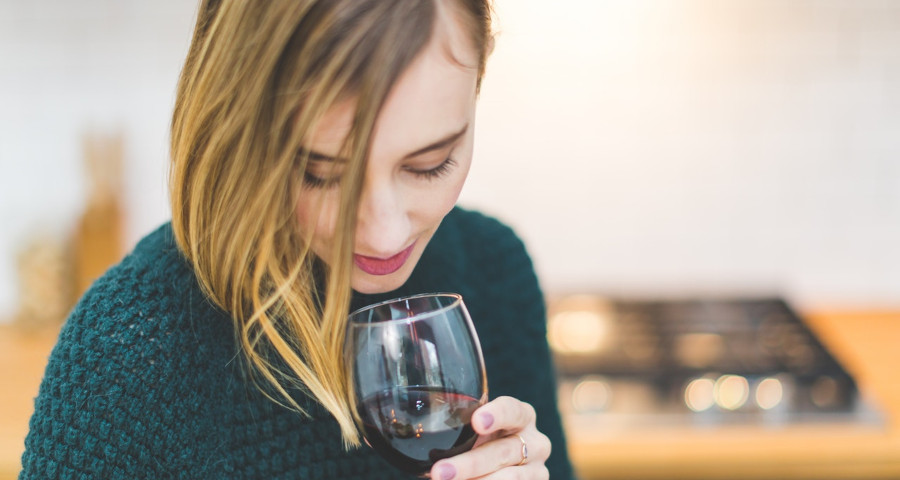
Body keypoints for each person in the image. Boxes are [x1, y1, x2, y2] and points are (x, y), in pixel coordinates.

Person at [20, 1, 574, 479]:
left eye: (431, 164)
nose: (385, 235)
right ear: (239, 124)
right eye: (322, 174)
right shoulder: (126, 355)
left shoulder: (494, 273)